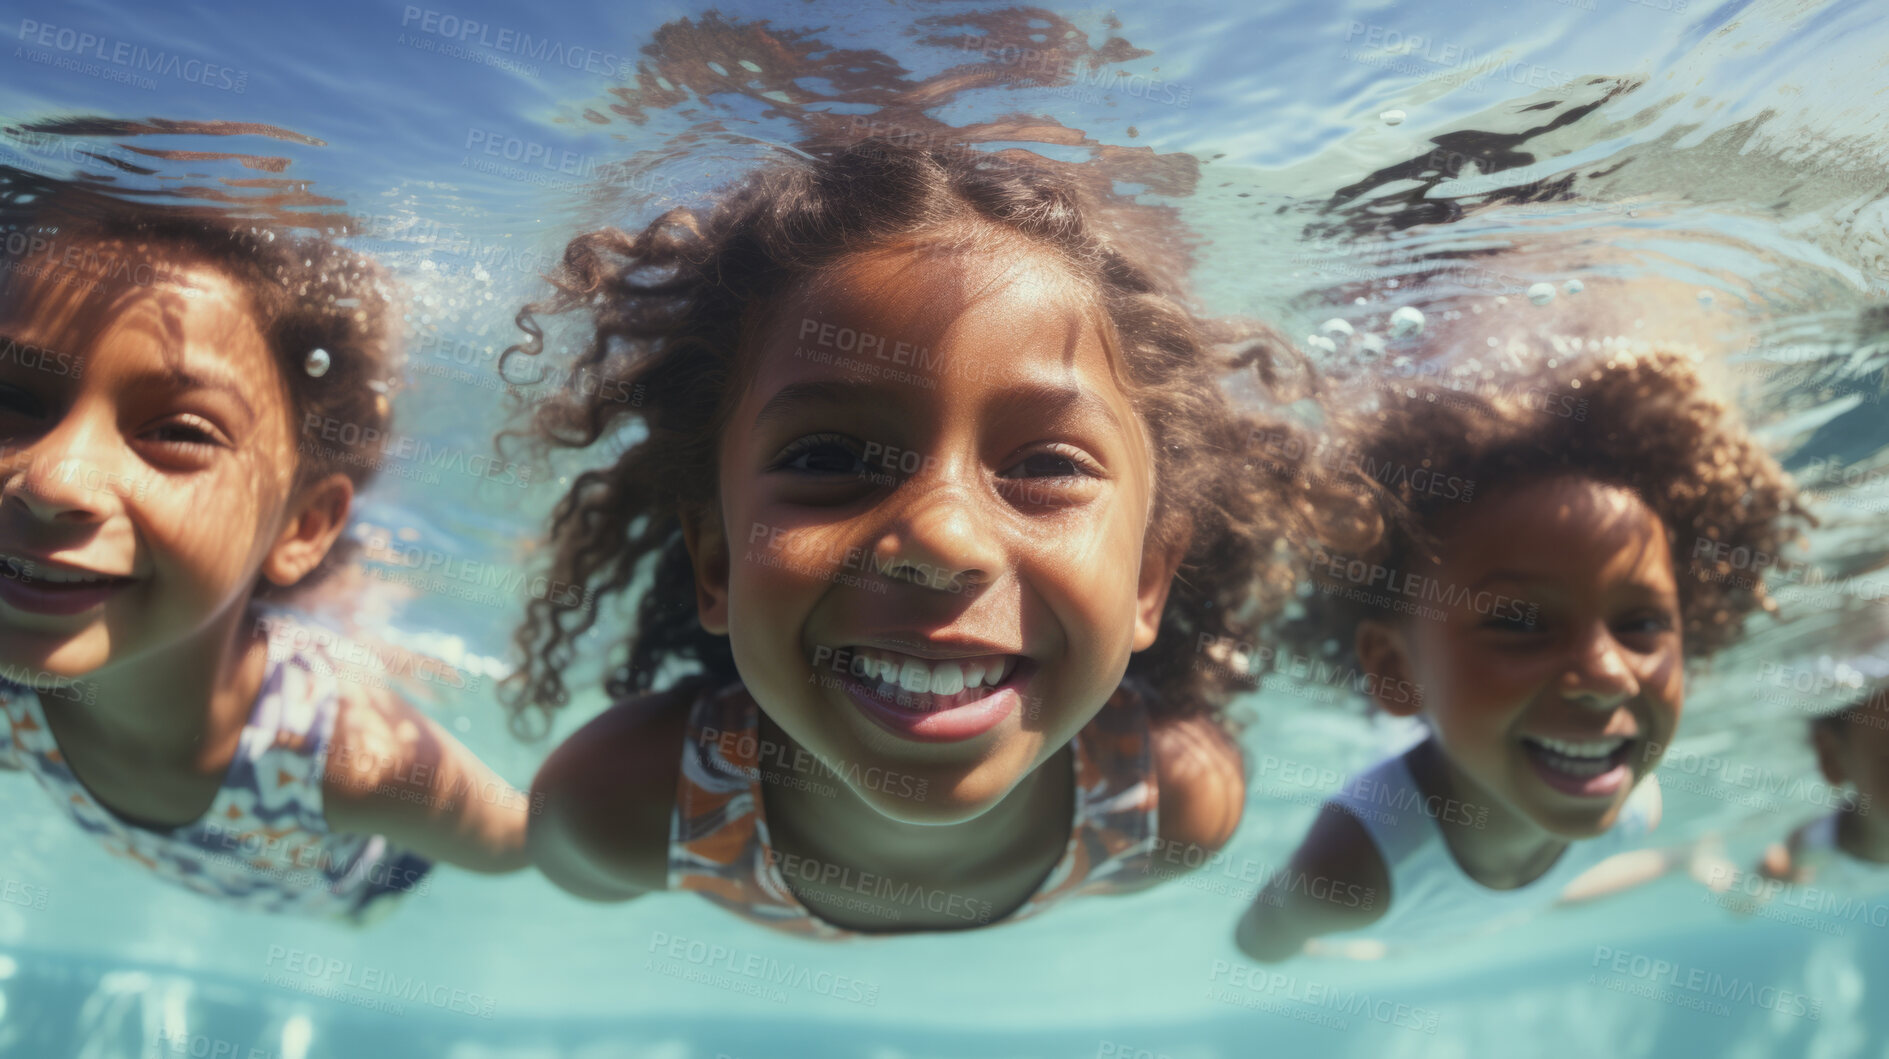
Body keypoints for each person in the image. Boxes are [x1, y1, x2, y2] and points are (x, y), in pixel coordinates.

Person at [506, 140, 1326, 936]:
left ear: (1148, 577)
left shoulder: (1176, 800)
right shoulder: (615, 803)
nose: (942, 538)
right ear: (713, 560)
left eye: (1046, 462)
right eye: (827, 458)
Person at [0, 173, 527, 923]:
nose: (52, 480)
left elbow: (531, 838)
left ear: (302, 525)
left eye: (180, 431)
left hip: (362, 879)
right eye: (10, 399)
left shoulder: (353, 757)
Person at [1235, 345, 1809, 959]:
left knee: (1538, 899)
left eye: (1641, 622)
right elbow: (1258, 943)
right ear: (1396, 669)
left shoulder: (1629, 802)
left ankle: (1680, 861)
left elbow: (1545, 893)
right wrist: (1327, 949)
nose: (1608, 675)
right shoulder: (1352, 871)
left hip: (1484, 898)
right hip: (1395, 923)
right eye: (1520, 622)